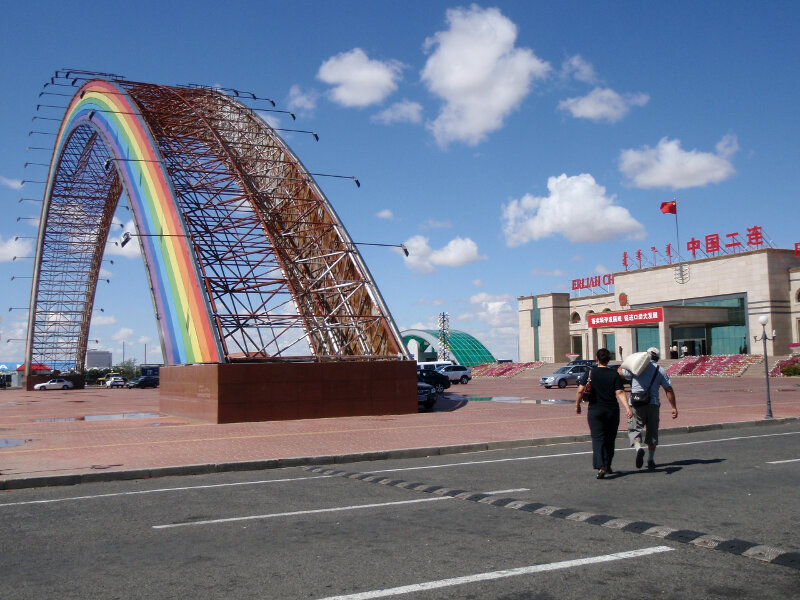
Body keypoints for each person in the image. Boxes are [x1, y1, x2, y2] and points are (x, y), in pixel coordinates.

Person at [618, 347, 678, 469]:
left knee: (635, 428)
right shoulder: (660, 370)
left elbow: (620, 373)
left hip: (636, 403)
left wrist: (623, 363)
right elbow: (668, 389)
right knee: (652, 431)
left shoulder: (637, 366)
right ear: (657, 358)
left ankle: (638, 448)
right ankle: (651, 459)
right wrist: (673, 407)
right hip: (653, 403)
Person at [575, 348, 628, 479]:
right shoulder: (614, 374)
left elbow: (580, 390)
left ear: (597, 359)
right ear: (608, 360)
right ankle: (608, 464)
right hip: (612, 410)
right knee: (610, 438)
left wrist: (577, 405)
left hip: (595, 410)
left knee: (598, 438)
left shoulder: (590, 373)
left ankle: (601, 465)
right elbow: (620, 392)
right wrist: (628, 408)